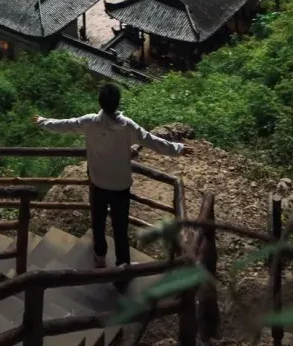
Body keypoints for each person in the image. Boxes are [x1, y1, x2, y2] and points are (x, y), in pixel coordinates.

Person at [35, 84, 184, 273]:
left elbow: (65, 124)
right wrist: (178, 149)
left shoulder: (90, 122)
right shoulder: (127, 126)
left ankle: (99, 258)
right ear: (117, 102)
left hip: (97, 183)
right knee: (120, 228)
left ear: (100, 102)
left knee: (98, 222)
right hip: (120, 187)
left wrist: (42, 121)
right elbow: (151, 140)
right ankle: (123, 267)